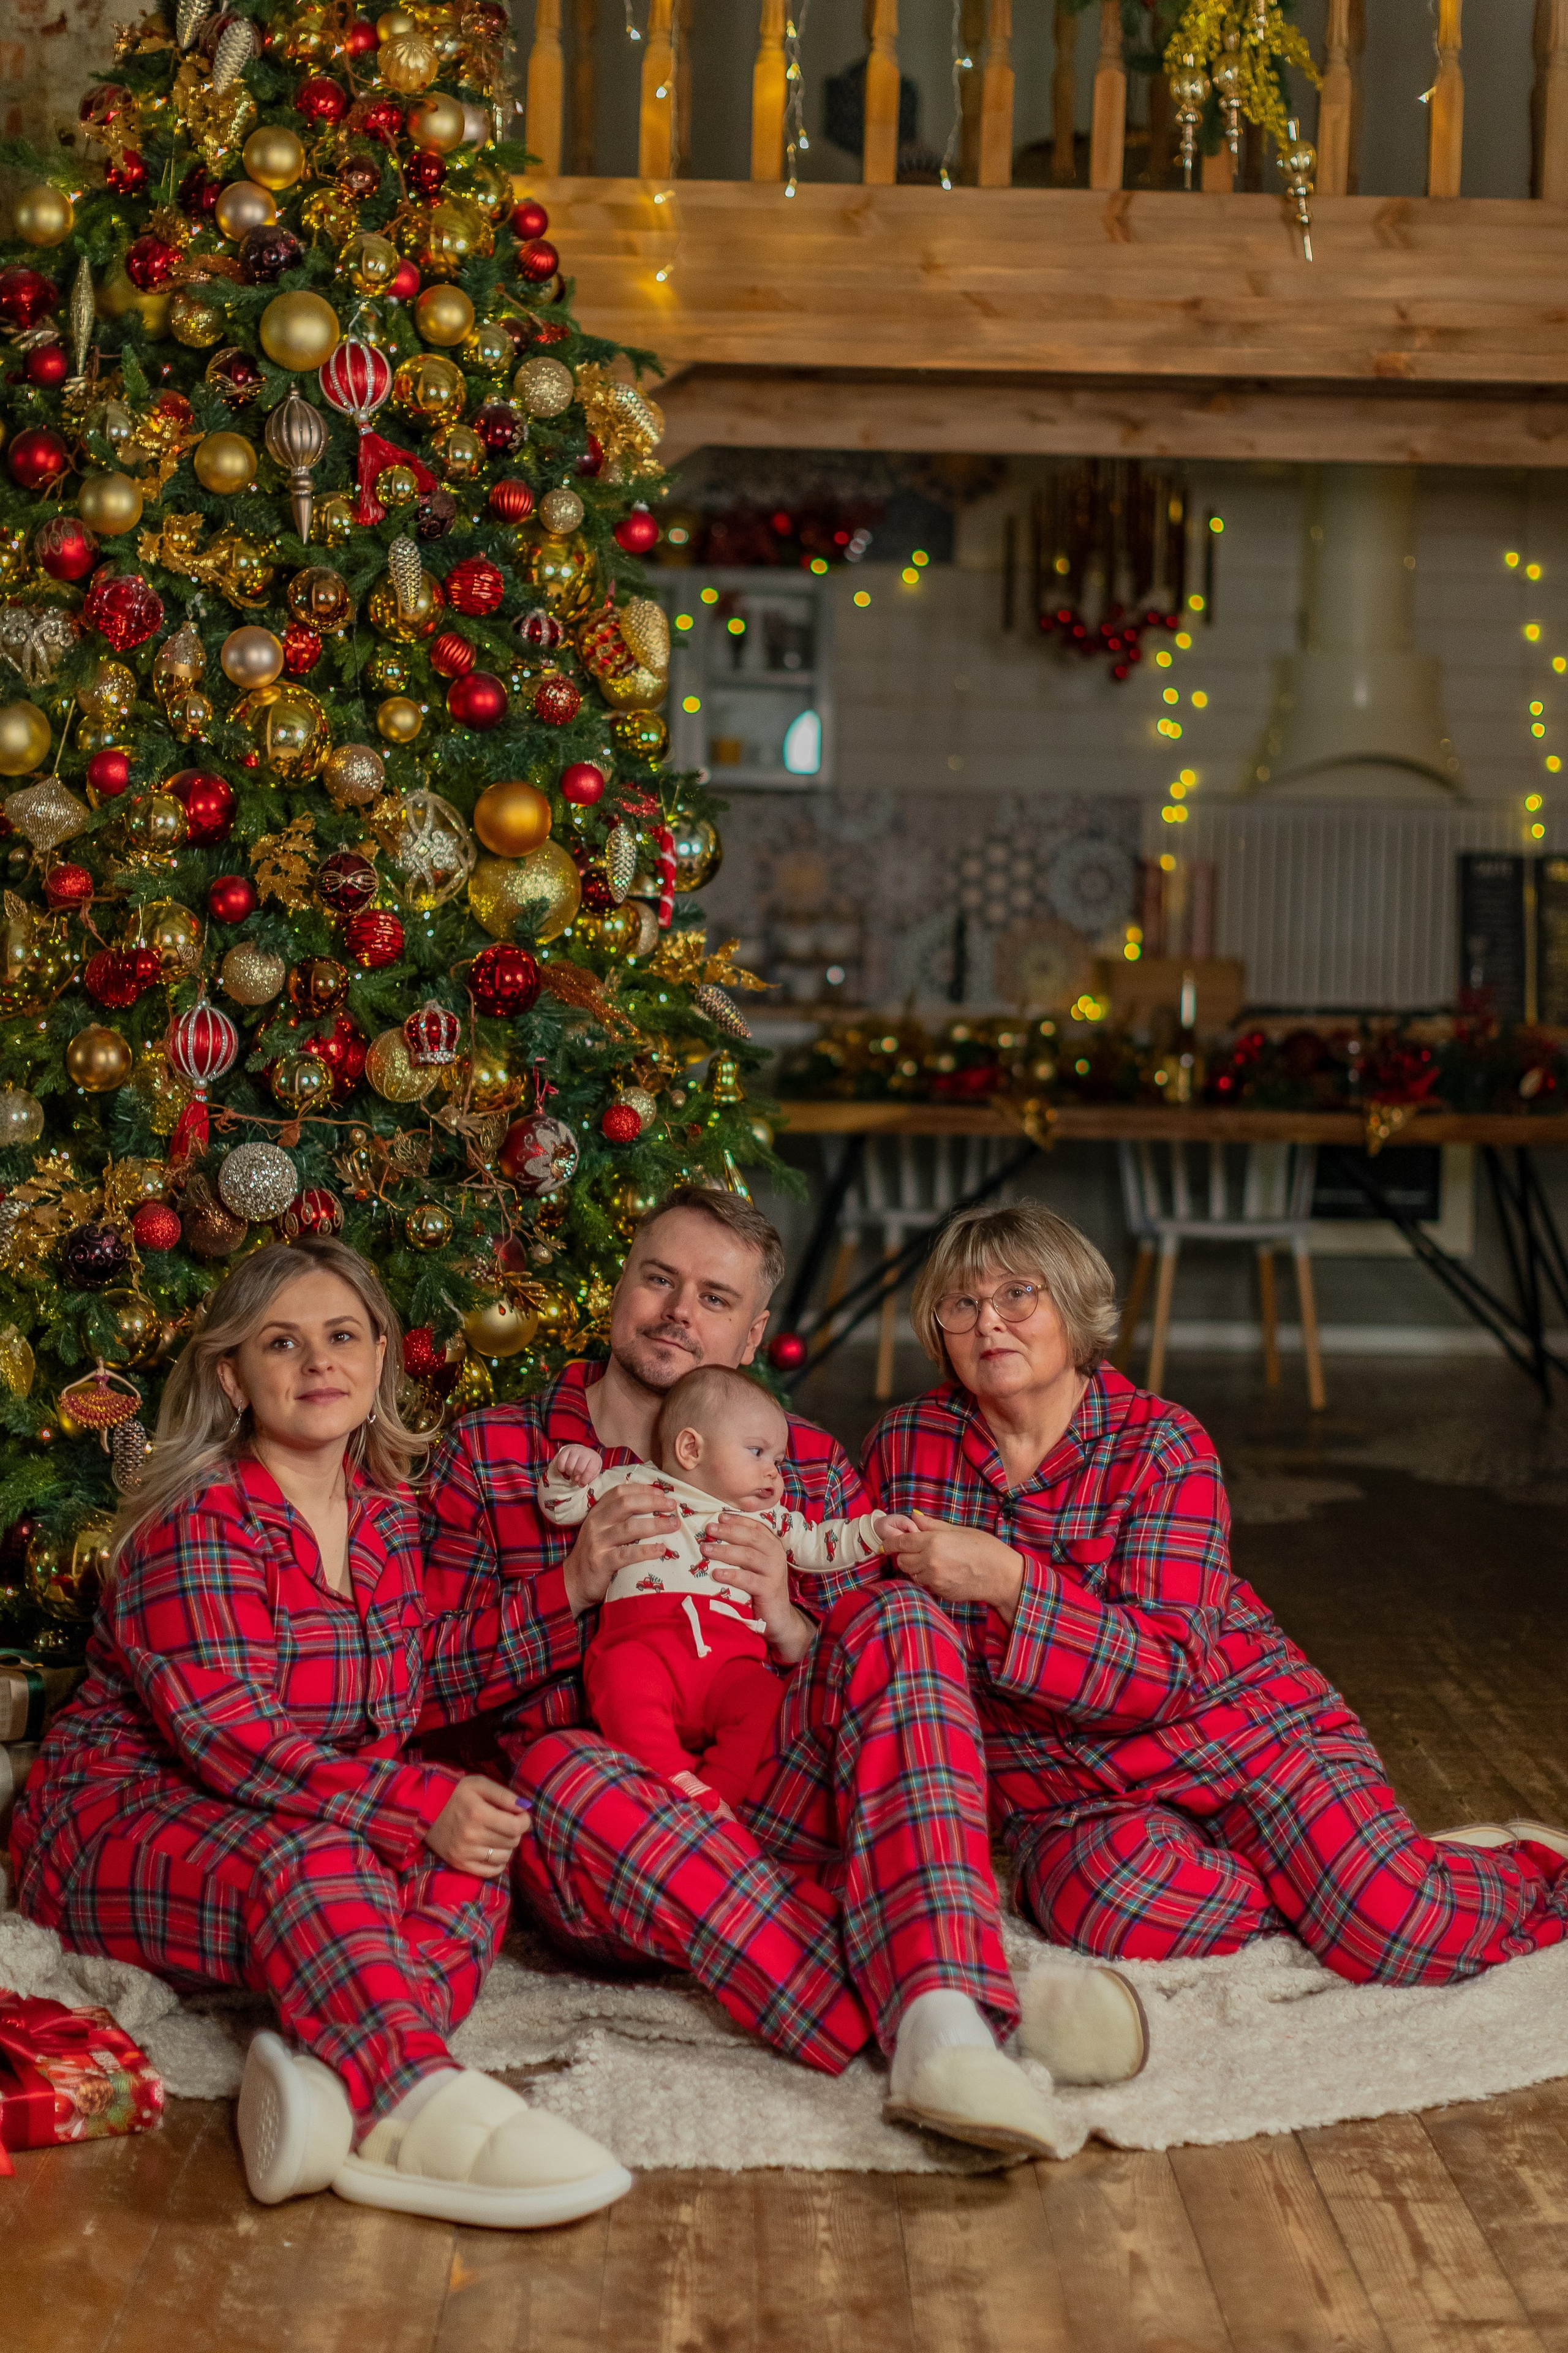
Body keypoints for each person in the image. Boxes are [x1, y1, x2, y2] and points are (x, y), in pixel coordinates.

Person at [422, 1185, 1149, 2163]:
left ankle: (942, 2021)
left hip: (775, 1797)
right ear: (619, 1292)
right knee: (559, 1768)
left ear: (754, 1330)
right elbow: (417, 1688)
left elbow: (882, 1675)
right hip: (616, 1834)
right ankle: (950, 2003)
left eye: (715, 1298)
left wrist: (788, 1621)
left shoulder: (799, 1463)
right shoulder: (498, 1455)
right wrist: (570, 1587)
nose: (680, 1310)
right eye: (659, 1279)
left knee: (899, 1607)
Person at [12, 1239, 631, 2230]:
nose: (317, 1363)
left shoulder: (386, 1518)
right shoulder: (202, 1518)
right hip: (120, 1820)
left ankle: (327, 2081)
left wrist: (572, 1591)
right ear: (232, 1375)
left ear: (380, 1354)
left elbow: (420, 1677)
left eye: (341, 1336)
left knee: (476, 1861)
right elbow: (228, 1736)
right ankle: (406, 2104)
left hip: (300, 1810)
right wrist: (412, 1802)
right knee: (321, 1859)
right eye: (282, 1343)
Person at [862, 1200, 1568, 1985]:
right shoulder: (904, 1446)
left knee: (1397, 1931)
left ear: (1070, 1306)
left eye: (1017, 1295)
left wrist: (1009, 1580)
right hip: (1067, 1793)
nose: (989, 1323)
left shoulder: (1163, 1443)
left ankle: (1500, 1868)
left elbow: (1162, 1672)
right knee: (1114, 1908)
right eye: (962, 1304)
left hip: (1240, 1736)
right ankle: (1329, 1887)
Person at [541, 1362, 889, 1815]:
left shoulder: (768, 1517)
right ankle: (673, 1780)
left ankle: (719, 1800)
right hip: (644, 1644)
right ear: (690, 1448)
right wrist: (570, 1473)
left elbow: (820, 1544)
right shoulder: (634, 1482)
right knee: (618, 1680)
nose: (773, 1474)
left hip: (731, 1659)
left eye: (779, 1461)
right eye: (757, 1452)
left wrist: (877, 1530)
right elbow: (563, 1507)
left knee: (767, 1702)